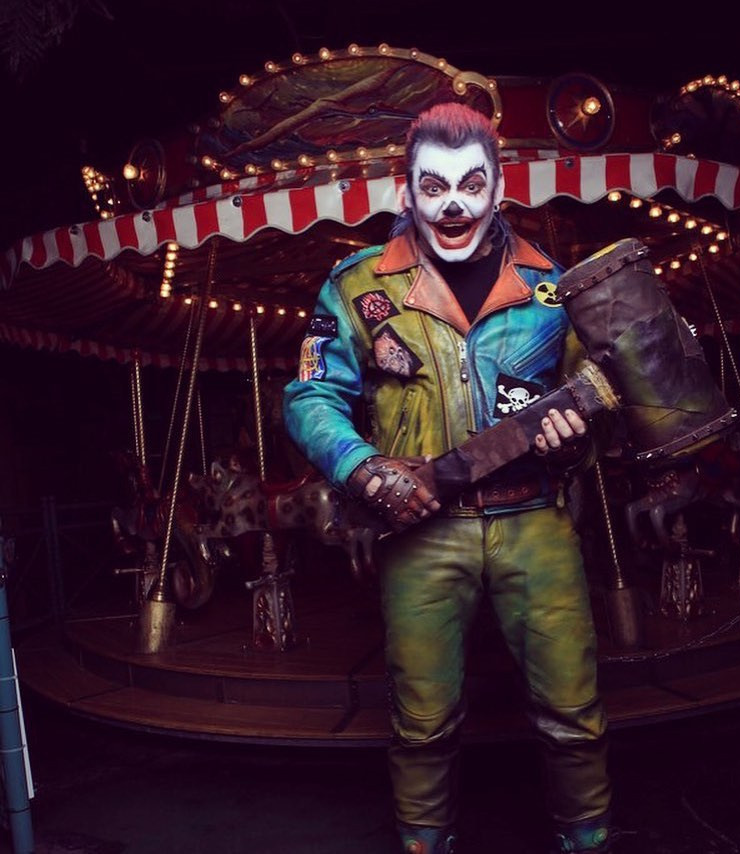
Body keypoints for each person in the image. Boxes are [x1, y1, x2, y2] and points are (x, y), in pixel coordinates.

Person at [283, 102, 611, 854]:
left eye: (471, 184)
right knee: (422, 724)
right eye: (433, 187)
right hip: (421, 536)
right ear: (406, 191)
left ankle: (590, 842)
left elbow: (602, 411)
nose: (453, 204)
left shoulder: (552, 288)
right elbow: (309, 395)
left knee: (574, 715)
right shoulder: (357, 285)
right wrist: (362, 467)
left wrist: (572, 447)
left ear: (499, 188)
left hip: (536, 524)